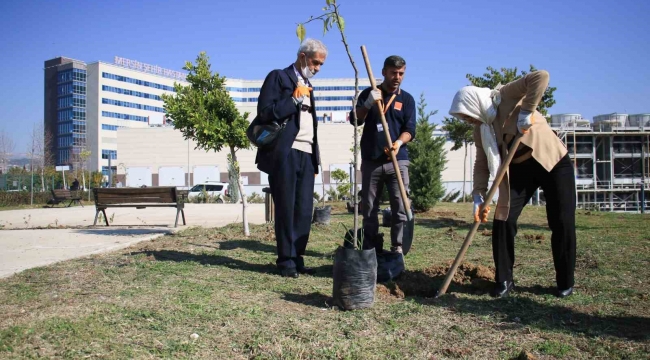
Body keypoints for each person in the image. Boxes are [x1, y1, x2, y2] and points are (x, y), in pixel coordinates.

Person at [448, 70, 576, 298]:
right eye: (464, 118)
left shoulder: (504, 95)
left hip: (551, 162)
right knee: (502, 220)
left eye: (467, 115)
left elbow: (541, 77)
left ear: (474, 103)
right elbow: (481, 163)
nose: (468, 120)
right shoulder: (482, 128)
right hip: (518, 171)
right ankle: (504, 280)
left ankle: (565, 281)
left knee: (562, 220)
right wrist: (478, 195)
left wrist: (526, 111)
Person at [254, 38, 327, 278]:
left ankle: (298, 256)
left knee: (305, 210)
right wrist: (293, 100)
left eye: (321, 65)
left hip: (306, 154)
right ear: (303, 56)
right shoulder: (278, 77)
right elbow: (264, 113)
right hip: (285, 152)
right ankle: (285, 260)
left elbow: (311, 125)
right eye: (315, 62)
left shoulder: (308, 84)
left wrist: (315, 160)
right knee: (285, 207)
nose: (317, 68)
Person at [350, 55, 416, 254]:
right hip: (372, 160)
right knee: (369, 206)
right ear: (384, 72)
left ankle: (397, 247)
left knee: (400, 205)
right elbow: (355, 120)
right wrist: (368, 103)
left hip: (398, 160)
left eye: (401, 73)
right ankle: (371, 247)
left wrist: (398, 142)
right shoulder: (368, 93)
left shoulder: (407, 99)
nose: (397, 77)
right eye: (394, 73)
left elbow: (410, 130)